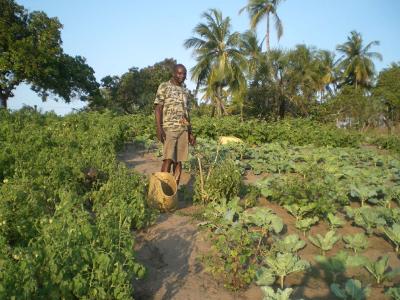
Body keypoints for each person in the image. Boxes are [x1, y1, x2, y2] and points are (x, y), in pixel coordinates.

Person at [154, 64, 195, 185]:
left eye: (184, 74)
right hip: (169, 129)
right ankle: (162, 188)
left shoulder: (184, 90)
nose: (182, 76)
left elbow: (186, 113)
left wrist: (190, 133)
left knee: (179, 161)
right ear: (173, 73)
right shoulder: (164, 86)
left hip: (183, 130)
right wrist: (159, 128)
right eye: (179, 73)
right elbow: (158, 108)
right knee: (168, 159)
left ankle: (174, 189)